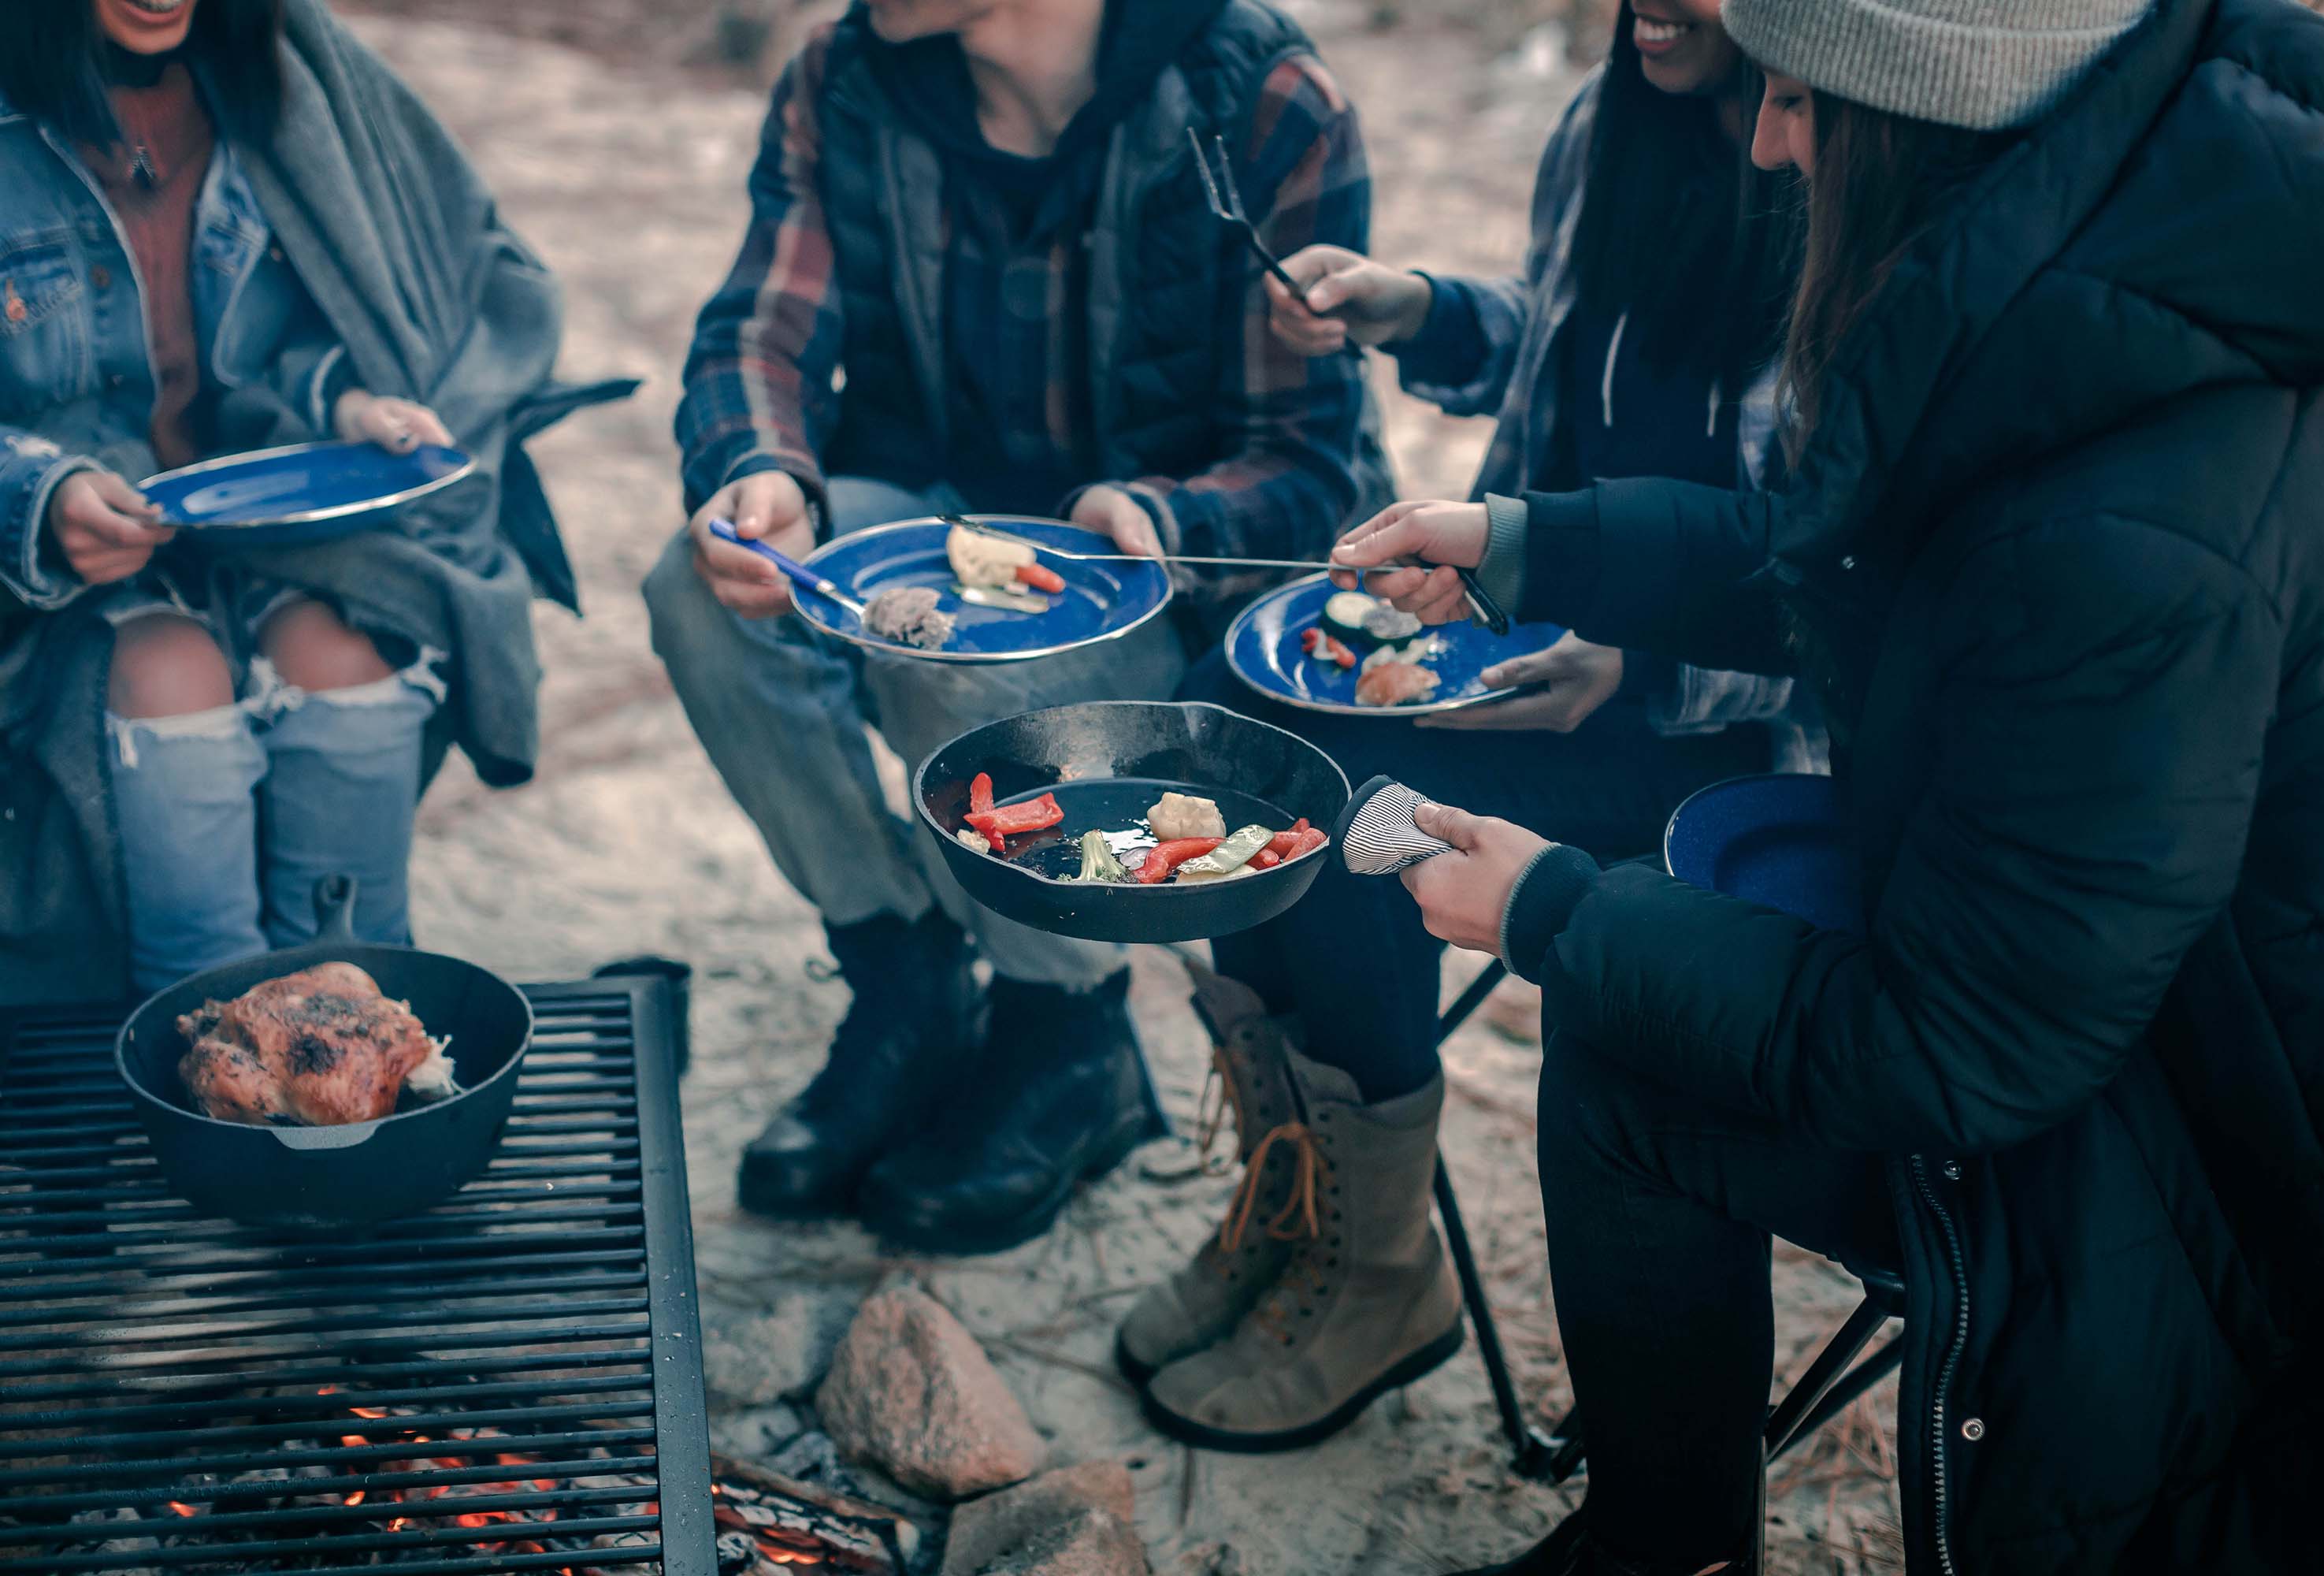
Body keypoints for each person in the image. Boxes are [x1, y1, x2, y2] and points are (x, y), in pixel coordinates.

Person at [1335, 0, 2324, 1567]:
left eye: (1804, 100)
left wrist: (1549, 908)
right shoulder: (2109, 279)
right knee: (1636, 1007)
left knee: (1628, 1026)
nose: (1766, 143)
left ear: (1936, 119)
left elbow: (1961, 1047)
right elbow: (1874, 572)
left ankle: (1663, 1540)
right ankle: (1670, 1530)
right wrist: (1530, 547)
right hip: (2121, 987)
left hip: (2210, 1165)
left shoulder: (2142, 522)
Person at [1119, 0, 1802, 1454]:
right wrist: (1418, 310)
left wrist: (1646, 657)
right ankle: (1295, 1201)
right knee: (1241, 717)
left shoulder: (1844, 168)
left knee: (1354, 800)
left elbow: (1844, 582)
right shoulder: (1608, 122)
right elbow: (1565, 339)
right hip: (1542, 626)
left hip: (1723, 725)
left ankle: (1381, 1274)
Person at [644, 0, 1385, 1254]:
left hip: (1152, 591)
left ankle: (1066, 1035)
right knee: (695, 589)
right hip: (921, 516)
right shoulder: (844, 74)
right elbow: (760, 329)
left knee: (970, 663)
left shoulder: (1261, 102)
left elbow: (1312, 461)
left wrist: (1161, 514)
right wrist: (761, 465)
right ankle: (906, 979)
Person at [0, 0, 607, 1005]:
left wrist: (350, 399)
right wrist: (40, 495)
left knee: (345, 664)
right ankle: (206, 1043)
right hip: (48, 581)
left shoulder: (278, 75)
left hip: (265, 531)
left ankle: (358, 1024)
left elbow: (325, 315)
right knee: (170, 679)